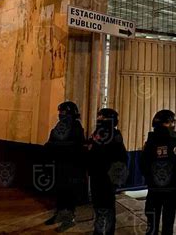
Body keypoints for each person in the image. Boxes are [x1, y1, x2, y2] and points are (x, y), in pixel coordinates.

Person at [140, 110, 176, 235]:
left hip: (154, 189)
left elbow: (143, 164)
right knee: (168, 223)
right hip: (171, 188)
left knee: (152, 223)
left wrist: (149, 179)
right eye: (171, 122)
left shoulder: (150, 141)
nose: (173, 124)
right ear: (168, 123)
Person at [44, 101, 86, 232]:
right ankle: (59, 215)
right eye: (60, 112)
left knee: (69, 193)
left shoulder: (76, 127)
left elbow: (76, 147)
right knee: (60, 192)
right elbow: (52, 140)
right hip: (60, 165)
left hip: (71, 167)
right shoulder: (60, 125)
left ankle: (69, 219)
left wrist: (58, 146)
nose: (60, 115)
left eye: (63, 112)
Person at [87, 108, 128, 235]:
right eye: (99, 116)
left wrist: (116, 180)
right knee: (98, 206)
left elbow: (122, 159)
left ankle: (109, 232)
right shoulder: (97, 133)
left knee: (108, 207)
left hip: (107, 179)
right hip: (95, 175)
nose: (99, 119)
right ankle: (98, 231)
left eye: (102, 117)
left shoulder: (115, 136)